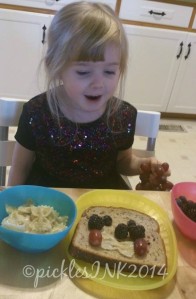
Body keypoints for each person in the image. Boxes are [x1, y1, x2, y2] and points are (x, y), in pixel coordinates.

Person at [8, 1, 170, 189]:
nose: (98, 83)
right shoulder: (36, 112)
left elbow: (123, 162)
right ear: (56, 66)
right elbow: (21, 168)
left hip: (102, 201)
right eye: (83, 72)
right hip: (47, 204)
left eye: (109, 72)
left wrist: (143, 165)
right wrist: (9, 207)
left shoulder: (122, 115)